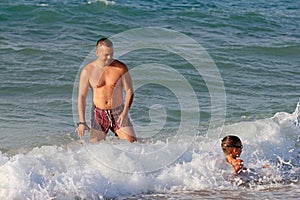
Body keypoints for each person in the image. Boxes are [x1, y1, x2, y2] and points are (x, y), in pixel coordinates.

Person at [75, 38, 136, 143]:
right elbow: (82, 96)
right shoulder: (87, 71)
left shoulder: (121, 68)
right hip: (98, 113)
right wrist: (82, 122)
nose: (110, 58)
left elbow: (129, 91)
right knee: (94, 148)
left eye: (112, 54)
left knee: (133, 144)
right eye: (106, 55)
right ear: (97, 53)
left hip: (118, 112)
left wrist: (125, 112)